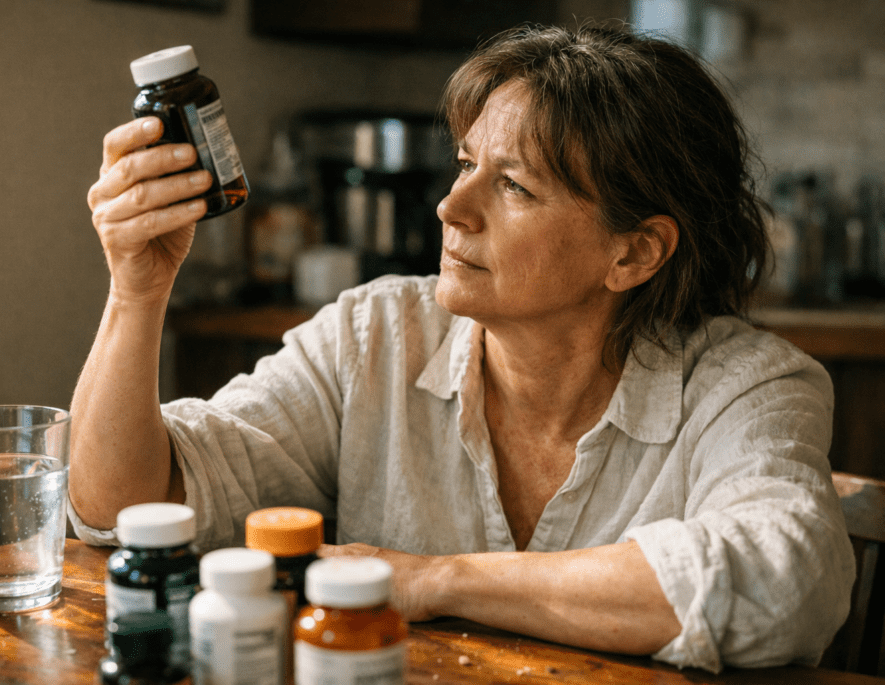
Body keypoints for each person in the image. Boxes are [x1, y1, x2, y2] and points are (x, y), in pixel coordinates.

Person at [72, 23, 855, 673]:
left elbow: (784, 584)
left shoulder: (748, 384)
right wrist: (137, 290)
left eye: (513, 185)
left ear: (634, 252)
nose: (451, 207)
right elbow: (122, 506)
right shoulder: (374, 335)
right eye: (466, 164)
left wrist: (437, 579)